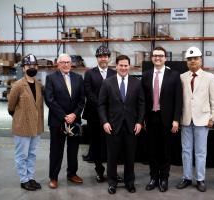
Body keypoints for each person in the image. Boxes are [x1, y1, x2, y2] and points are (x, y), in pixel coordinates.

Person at [98, 55, 145, 194]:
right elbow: (101, 104)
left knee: (130, 157)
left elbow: (142, 104)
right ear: (116, 66)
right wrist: (105, 122)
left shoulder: (137, 83)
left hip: (131, 126)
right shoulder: (107, 83)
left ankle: (129, 182)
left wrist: (139, 122)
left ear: (129, 66)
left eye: (126, 65)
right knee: (112, 157)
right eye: (121, 65)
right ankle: (112, 183)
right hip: (113, 126)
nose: (123, 68)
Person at [176, 47, 214, 192]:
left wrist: (213, 118)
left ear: (201, 60)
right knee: (186, 150)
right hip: (186, 119)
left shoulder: (209, 77)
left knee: (200, 152)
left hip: (203, 120)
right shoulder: (182, 77)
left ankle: (200, 179)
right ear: (186, 62)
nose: (192, 61)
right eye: (189, 59)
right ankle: (187, 177)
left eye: (195, 58)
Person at [142, 46, 182, 192]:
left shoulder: (174, 75)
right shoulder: (146, 75)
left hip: (167, 119)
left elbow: (178, 99)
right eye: (155, 55)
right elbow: (143, 100)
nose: (157, 58)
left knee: (165, 151)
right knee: (152, 151)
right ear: (151, 58)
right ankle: (154, 178)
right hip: (150, 119)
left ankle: (164, 178)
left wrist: (176, 119)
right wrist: (142, 119)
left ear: (165, 58)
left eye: (160, 55)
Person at [82, 45, 123, 183]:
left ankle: (113, 172)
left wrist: (109, 108)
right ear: (97, 58)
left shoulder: (114, 73)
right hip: (94, 115)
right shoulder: (89, 73)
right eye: (100, 56)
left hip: (111, 116)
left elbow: (117, 93)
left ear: (109, 58)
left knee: (112, 145)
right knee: (96, 144)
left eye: (105, 56)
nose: (103, 59)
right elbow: (88, 92)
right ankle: (99, 171)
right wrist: (101, 105)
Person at [44, 53, 85, 189]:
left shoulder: (78, 78)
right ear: (58, 64)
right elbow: (49, 100)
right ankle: (53, 177)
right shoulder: (51, 78)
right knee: (56, 150)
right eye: (63, 62)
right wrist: (64, 116)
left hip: (74, 120)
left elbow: (81, 99)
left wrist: (74, 114)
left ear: (71, 63)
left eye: (68, 62)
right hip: (57, 121)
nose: (66, 64)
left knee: (73, 149)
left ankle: (72, 174)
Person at [8, 54, 44, 191]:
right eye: (29, 66)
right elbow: (11, 106)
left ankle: (30, 177)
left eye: (34, 66)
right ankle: (24, 180)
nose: (32, 68)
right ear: (24, 68)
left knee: (32, 154)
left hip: (36, 126)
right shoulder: (18, 85)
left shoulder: (39, 85)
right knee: (22, 154)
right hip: (22, 125)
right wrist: (18, 117)